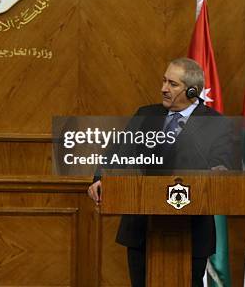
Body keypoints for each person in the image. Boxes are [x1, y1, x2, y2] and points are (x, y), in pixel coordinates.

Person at [87, 57, 232, 287]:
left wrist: (217, 172)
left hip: (191, 231)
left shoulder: (215, 123)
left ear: (192, 91)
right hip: (141, 229)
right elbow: (118, 151)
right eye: (164, 81)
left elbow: (222, 166)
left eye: (172, 84)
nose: (164, 89)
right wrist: (100, 178)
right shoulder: (146, 115)